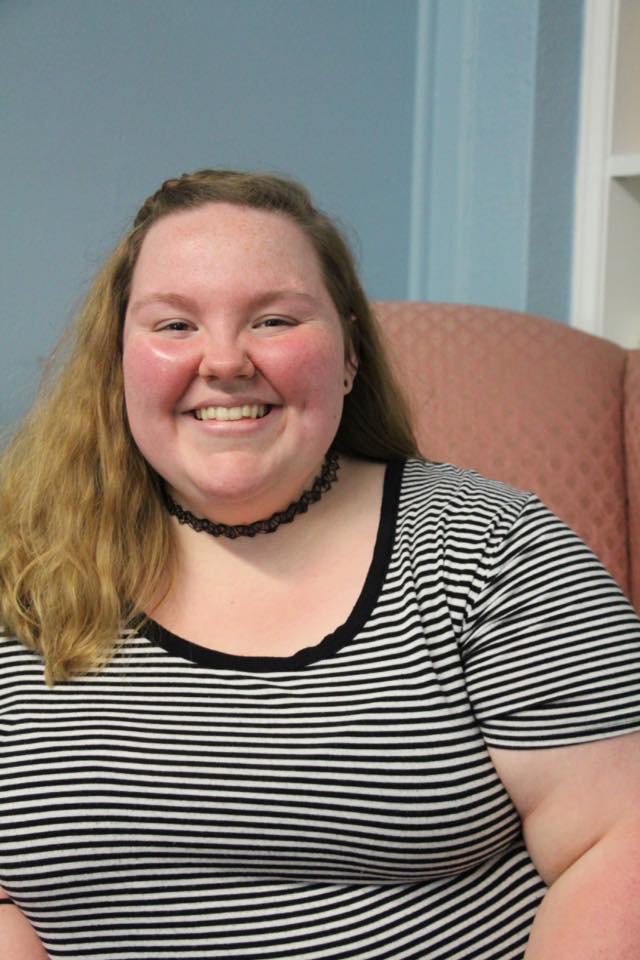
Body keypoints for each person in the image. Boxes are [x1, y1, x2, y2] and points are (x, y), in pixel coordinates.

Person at [0, 169, 639, 960]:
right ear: (119, 362)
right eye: (174, 325)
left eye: (273, 319)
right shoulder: (17, 568)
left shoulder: (493, 549)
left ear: (347, 356)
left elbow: (616, 845)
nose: (224, 360)